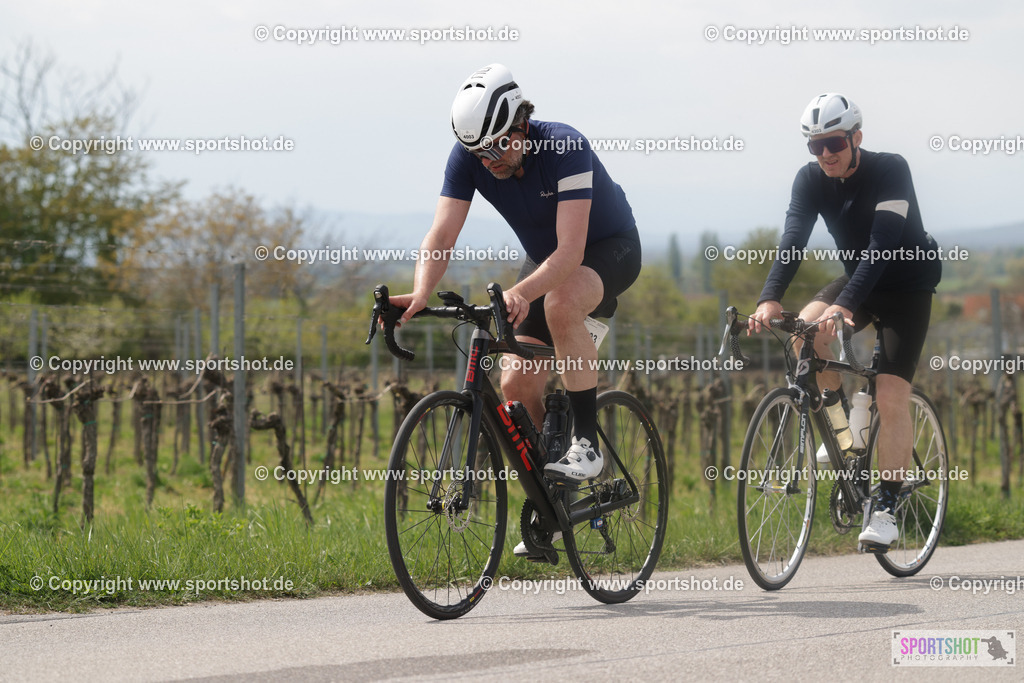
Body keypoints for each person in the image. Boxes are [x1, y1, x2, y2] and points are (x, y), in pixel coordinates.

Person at [390, 64, 641, 495]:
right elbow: (442, 234)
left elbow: (570, 253)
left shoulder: (564, 145)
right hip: (547, 259)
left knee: (561, 303)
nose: (489, 161)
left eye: (498, 147)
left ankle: (586, 443)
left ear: (521, 122)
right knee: (515, 384)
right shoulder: (470, 157)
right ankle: (553, 498)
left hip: (608, 248)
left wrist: (522, 292)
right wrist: (420, 291)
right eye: (479, 154)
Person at [747, 93, 941, 551]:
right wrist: (769, 298)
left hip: (906, 284)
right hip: (860, 279)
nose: (825, 154)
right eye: (814, 147)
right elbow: (793, 238)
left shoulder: (891, 168)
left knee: (892, 394)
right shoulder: (810, 179)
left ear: (856, 137)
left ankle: (888, 507)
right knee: (804, 336)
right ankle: (845, 432)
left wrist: (846, 306)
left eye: (833, 142)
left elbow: (882, 244)